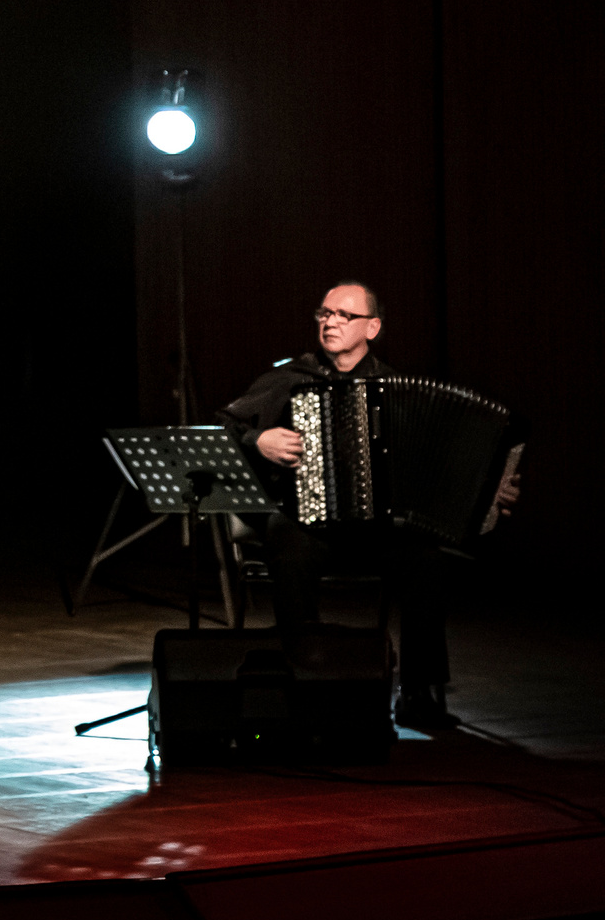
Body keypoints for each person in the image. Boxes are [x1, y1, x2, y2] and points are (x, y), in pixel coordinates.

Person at [219, 281, 516, 731]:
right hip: (308, 525)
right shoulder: (288, 378)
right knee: (287, 540)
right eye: (324, 313)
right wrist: (257, 439)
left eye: (344, 315)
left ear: (372, 328)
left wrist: (487, 492)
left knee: (426, 561)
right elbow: (222, 427)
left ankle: (419, 694)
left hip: (374, 532)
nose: (330, 322)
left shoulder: (394, 389)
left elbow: (446, 466)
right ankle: (301, 680)